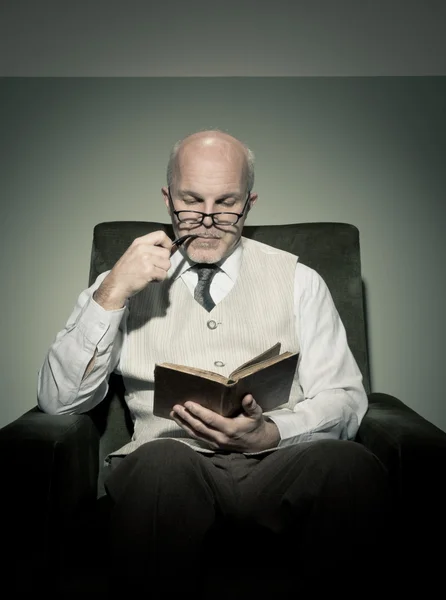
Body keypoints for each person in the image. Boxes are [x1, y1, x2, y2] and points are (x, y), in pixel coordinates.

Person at [37, 130, 391, 595]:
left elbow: (344, 397)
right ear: (167, 199)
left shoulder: (301, 280)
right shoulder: (117, 282)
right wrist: (112, 294)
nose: (207, 219)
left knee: (350, 465)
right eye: (191, 200)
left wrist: (272, 432)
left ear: (250, 202)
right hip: (169, 467)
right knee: (162, 462)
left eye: (226, 202)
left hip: (281, 463)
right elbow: (58, 402)